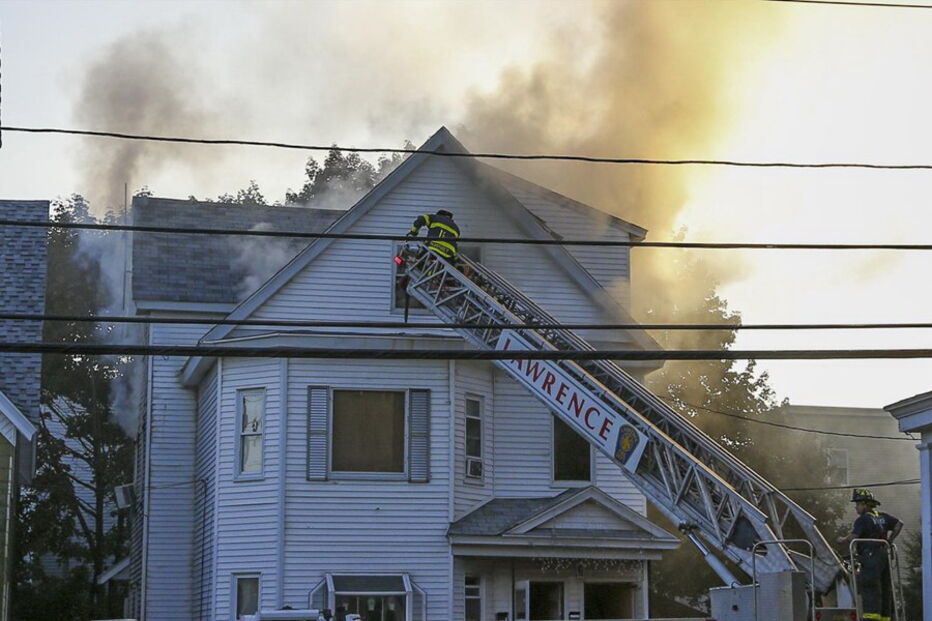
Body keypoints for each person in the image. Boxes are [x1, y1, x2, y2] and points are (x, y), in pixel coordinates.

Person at [836, 489, 890, 620]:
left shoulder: (863, 519)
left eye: (858, 504)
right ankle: (885, 618)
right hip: (883, 554)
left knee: (869, 587)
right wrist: (890, 541)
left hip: (870, 555)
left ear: (865, 504)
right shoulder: (882, 517)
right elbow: (899, 524)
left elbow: (854, 536)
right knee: (884, 587)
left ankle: (870, 618)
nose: (856, 507)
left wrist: (843, 539)